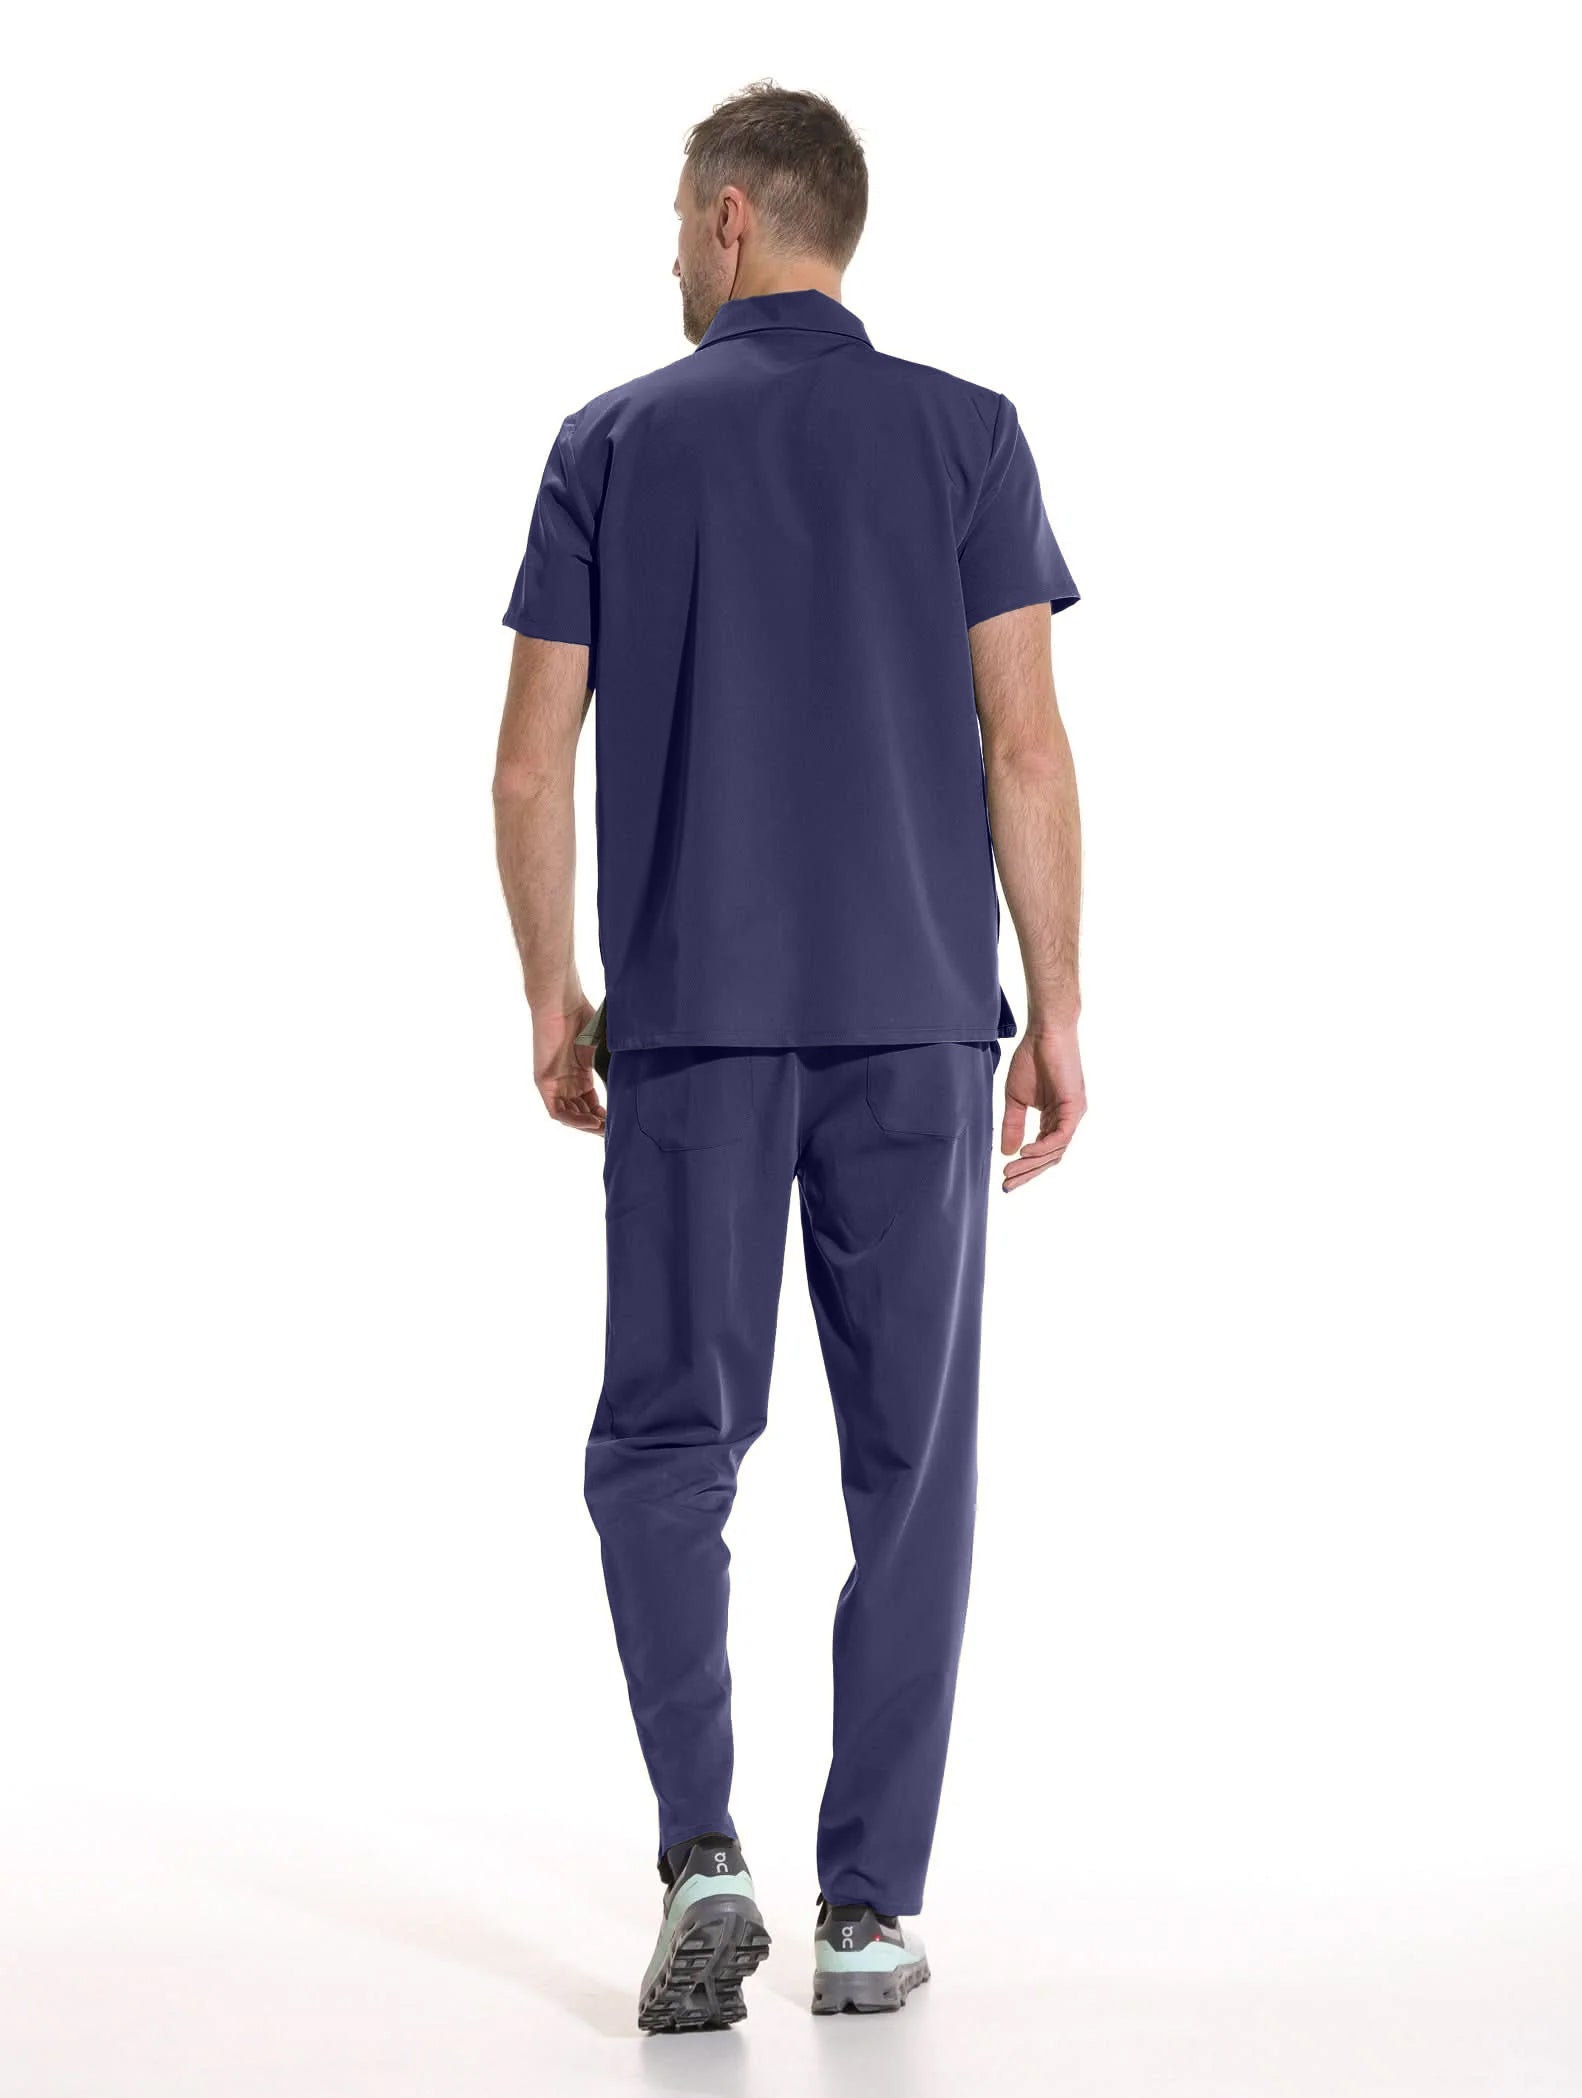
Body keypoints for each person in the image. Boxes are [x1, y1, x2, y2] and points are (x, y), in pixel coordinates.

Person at [493, 80, 1085, 2032]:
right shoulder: (965, 436)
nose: (669, 249)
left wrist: (552, 995)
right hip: (915, 1018)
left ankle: (701, 1850)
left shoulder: (609, 443)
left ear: (735, 216)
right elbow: (1023, 742)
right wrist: (1058, 1001)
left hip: (692, 1028)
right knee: (912, 1462)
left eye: (681, 217)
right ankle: (865, 1907)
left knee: (665, 1443)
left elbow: (528, 763)